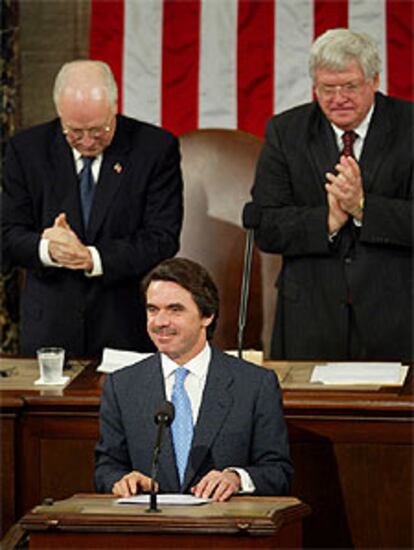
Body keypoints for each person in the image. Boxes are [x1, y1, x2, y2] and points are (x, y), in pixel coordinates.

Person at [248, 28, 412, 361]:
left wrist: (364, 208)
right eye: (327, 88)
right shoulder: (285, 132)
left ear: (374, 80)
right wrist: (328, 220)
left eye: (350, 86)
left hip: (397, 319)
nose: (338, 99)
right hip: (310, 319)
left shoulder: (410, 127)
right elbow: (265, 224)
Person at [2, 60, 183, 357]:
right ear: (59, 113)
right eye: (74, 132)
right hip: (50, 328)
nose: (87, 141)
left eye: (99, 130)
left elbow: (162, 238)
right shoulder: (27, 150)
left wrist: (91, 258)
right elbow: (7, 235)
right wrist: (49, 249)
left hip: (124, 323)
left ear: (114, 106)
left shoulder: (154, 148)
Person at [94, 257, 293, 501]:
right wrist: (121, 481)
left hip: (223, 529)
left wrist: (237, 478)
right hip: (149, 529)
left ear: (206, 315)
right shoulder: (121, 386)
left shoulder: (254, 385)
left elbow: (278, 472)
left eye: (175, 310)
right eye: (152, 310)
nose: (160, 322)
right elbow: (106, 469)